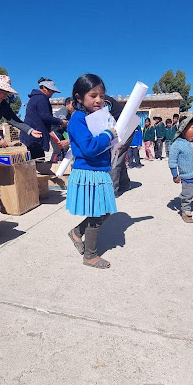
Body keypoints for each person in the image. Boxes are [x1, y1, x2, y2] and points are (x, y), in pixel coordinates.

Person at [66, 73, 117, 269]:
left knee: (105, 212)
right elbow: (89, 147)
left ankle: (77, 232)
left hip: (100, 170)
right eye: (93, 95)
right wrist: (108, 135)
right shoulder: (78, 119)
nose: (98, 100)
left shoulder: (97, 117)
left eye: (102, 96)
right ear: (79, 98)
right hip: (89, 172)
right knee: (98, 214)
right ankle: (90, 255)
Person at [20, 78, 68, 159]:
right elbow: (46, 116)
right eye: (51, 91)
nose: (52, 93)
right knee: (38, 159)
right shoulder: (41, 98)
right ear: (44, 88)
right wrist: (60, 122)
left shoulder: (35, 98)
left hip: (32, 135)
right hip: (35, 135)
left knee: (36, 158)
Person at [105, 94, 131, 197]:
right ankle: (124, 184)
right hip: (119, 128)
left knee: (115, 157)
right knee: (120, 158)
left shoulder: (103, 101)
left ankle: (112, 192)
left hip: (126, 129)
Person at [49, 96, 74, 162]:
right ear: (67, 104)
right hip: (53, 131)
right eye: (73, 104)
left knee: (65, 148)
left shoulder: (70, 114)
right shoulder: (64, 109)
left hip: (59, 132)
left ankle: (62, 163)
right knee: (58, 149)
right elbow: (63, 121)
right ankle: (53, 163)